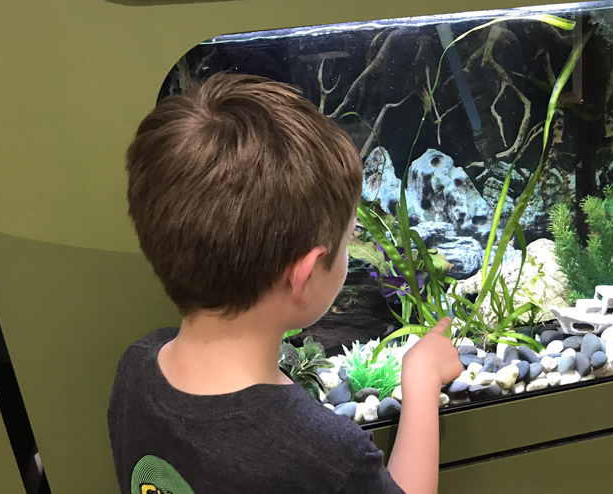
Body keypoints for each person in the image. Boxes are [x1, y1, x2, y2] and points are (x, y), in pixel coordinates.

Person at [108, 72, 462, 494]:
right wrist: (420, 382)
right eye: (349, 240)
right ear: (306, 274)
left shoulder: (135, 371)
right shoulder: (326, 454)